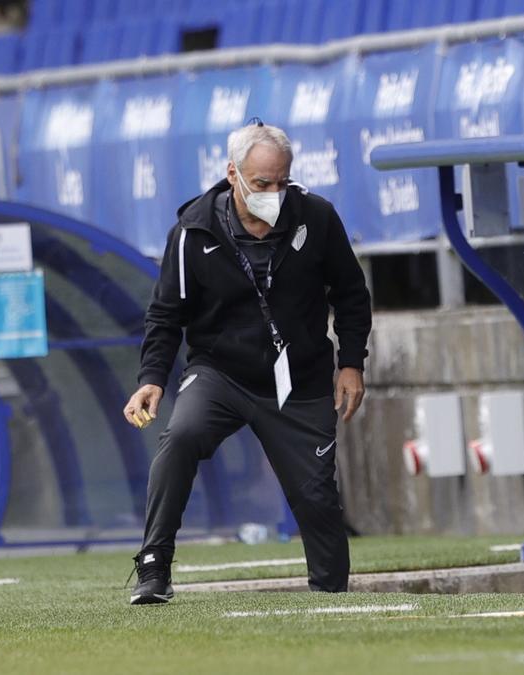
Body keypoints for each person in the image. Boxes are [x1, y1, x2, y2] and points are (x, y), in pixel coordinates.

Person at [122, 121, 372, 604]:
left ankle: (331, 592)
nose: (273, 193)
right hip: (221, 372)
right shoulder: (192, 230)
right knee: (181, 437)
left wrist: (351, 362)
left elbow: (352, 295)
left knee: (317, 497)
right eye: (261, 184)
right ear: (232, 174)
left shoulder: (316, 217)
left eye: (282, 181)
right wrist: (152, 378)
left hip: (300, 378)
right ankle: (154, 567)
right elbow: (166, 313)